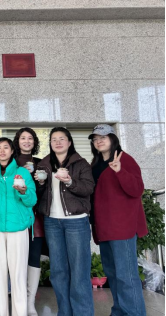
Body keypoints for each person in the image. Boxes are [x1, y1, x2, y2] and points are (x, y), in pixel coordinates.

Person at [35, 127, 95, 316]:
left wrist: (69, 181)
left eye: (62, 138)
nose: (58, 142)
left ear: (69, 142)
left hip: (76, 222)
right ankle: (65, 312)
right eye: (54, 139)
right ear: (50, 143)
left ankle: (83, 313)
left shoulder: (81, 163)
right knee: (58, 271)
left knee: (79, 271)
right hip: (52, 222)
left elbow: (88, 188)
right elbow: (37, 194)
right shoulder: (44, 164)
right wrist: (40, 184)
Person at [89, 125, 148, 316]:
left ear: (113, 139)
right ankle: (120, 311)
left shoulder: (125, 159)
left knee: (126, 275)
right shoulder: (95, 164)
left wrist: (120, 171)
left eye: (103, 137)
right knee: (113, 275)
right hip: (104, 228)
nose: (98, 141)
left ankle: (134, 313)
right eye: (95, 138)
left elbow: (137, 189)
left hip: (122, 228)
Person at [0, 138, 37, 316]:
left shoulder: (22, 172)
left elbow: (32, 200)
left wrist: (23, 191)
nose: (2, 151)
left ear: (12, 151)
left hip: (18, 227)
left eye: (6, 147)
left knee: (18, 274)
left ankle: (20, 313)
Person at [13, 128, 43, 316]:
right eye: (22, 138)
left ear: (34, 141)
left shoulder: (42, 163)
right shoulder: (11, 162)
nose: (26, 141)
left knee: (33, 257)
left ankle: (30, 301)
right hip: (15, 217)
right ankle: (18, 299)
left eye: (30, 138)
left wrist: (41, 183)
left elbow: (46, 192)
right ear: (17, 141)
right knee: (16, 258)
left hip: (36, 217)